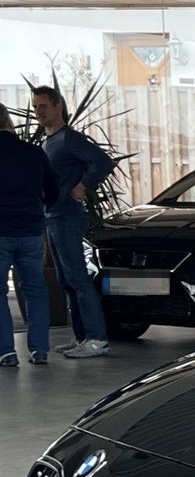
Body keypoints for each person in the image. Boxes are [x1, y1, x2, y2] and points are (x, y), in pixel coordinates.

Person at [32, 85, 113, 359]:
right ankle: (81, 336)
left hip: (67, 215)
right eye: (34, 107)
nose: (37, 112)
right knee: (65, 279)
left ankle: (96, 338)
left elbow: (102, 162)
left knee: (78, 277)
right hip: (51, 216)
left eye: (43, 106)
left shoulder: (69, 139)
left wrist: (84, 185)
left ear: (58, 106)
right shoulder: (47, 142)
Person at [0, 102, 58, 367]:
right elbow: (53, 190)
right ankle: (39, 350)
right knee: (35, 289)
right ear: (9, 122)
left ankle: (6, 352)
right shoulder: (35, 153)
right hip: (32, 231)